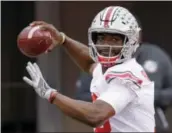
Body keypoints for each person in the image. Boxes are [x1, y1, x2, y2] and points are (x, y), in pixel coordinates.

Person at [22, 6, 155, 132]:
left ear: (130, 41)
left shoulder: (128, 75)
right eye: (101, 38)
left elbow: (95, 115)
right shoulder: (110, 68)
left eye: (114, 39)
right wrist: (63, 40)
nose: (105, 45)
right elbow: (90, 63)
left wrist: (50, 94)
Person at [75, 43, 172, 132]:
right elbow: (81, 96)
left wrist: (148, 95)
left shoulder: (156, 55)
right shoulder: (100, 60)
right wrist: (116, 96)